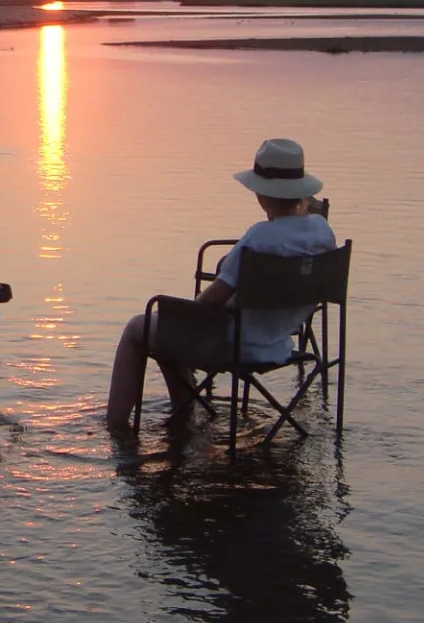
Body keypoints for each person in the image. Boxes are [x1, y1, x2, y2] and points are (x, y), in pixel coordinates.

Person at [105, 138, 337, 430]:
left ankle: (116, 427)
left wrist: (187, 310)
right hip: (279, 343)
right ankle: (184, 414)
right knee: (166, 328)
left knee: (141, 328)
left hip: (235, 344)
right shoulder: (323, 232)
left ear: (261, 194)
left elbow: (210, 302)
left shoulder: (258, 239)